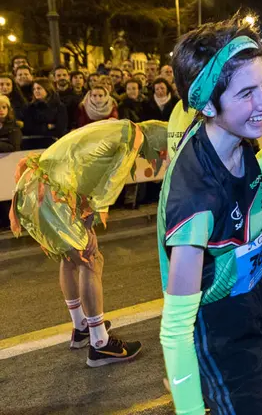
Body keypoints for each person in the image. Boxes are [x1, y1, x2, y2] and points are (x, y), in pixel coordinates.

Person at [159, 15, 262, 415]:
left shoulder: (232, 138)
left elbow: (244, 183)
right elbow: (174, 331)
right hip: (221, 322)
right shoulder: (195, 199)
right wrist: (188, 407)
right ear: (206, 103)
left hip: (260, 291)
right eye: (246, 94)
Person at [9, 119, 166, 366]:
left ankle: (81, 326)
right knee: (90, 260)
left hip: (37, 183)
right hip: (49, 192)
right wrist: (88, 222)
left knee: (70, 257)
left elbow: (82, 166)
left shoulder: (118, 126)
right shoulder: (132, 139)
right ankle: (100, 344)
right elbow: (109, 185)